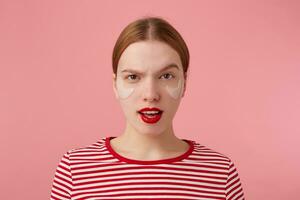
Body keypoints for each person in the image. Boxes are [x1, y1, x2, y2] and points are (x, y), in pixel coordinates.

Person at [50, 16, 245, 200]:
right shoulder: (74, 169)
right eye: (133, 77)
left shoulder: (220, 173)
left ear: (184, 83)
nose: (151, 94)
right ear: (115, 84)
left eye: (166, 76)